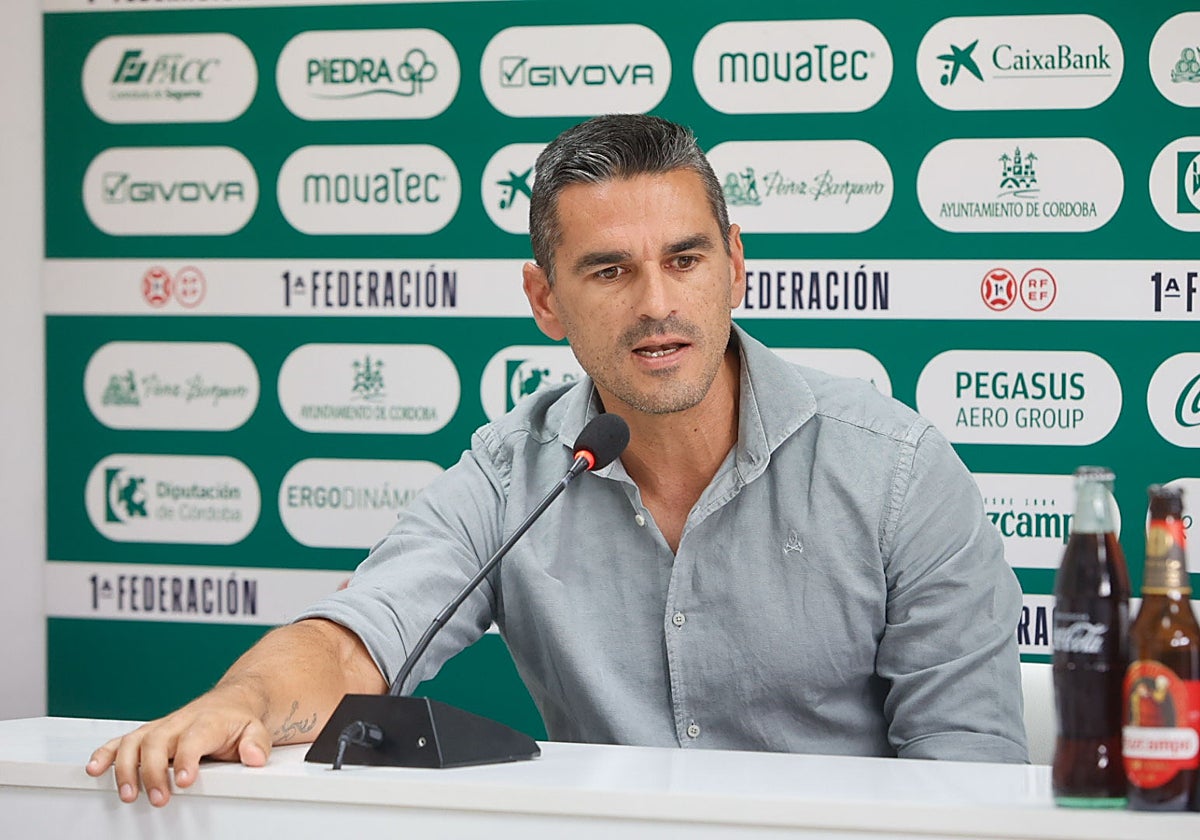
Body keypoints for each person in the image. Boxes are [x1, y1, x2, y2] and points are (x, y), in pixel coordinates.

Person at [87, 114, 1029, 807]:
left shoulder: (898, 472)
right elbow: (354, 641)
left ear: (736, 266)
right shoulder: (513, 473)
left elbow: (969, 778)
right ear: (546, 300)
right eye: (610, 271)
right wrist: (239, 700)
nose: (657, 304)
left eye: (687, 260)